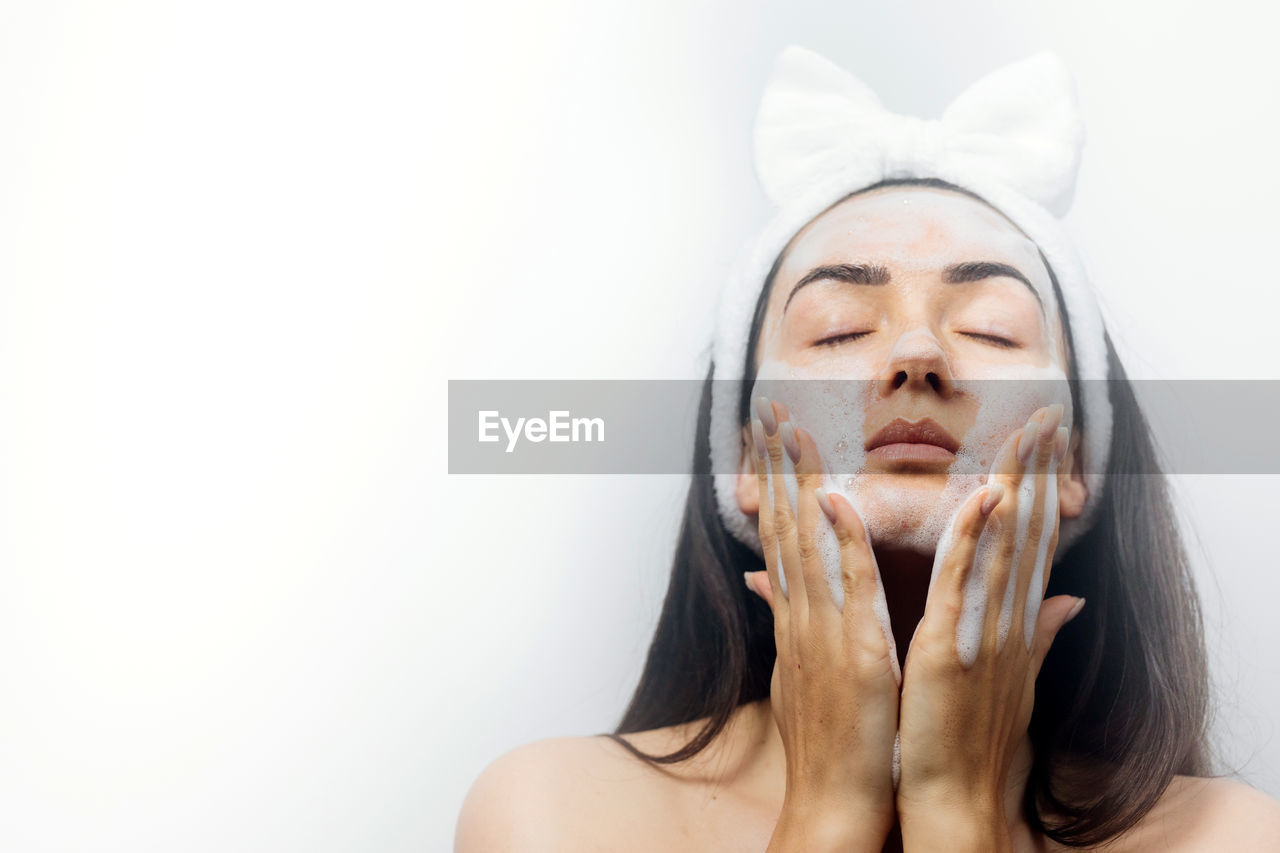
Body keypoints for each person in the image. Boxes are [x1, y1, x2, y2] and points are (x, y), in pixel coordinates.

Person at [455, 48, 1280, 852]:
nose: (915, 354)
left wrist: (956, 809)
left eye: (990, 326)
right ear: (742, 461)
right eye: (840, 327)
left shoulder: (1225, 838)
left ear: (1073, 464)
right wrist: (828, 810)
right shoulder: (559, 814)